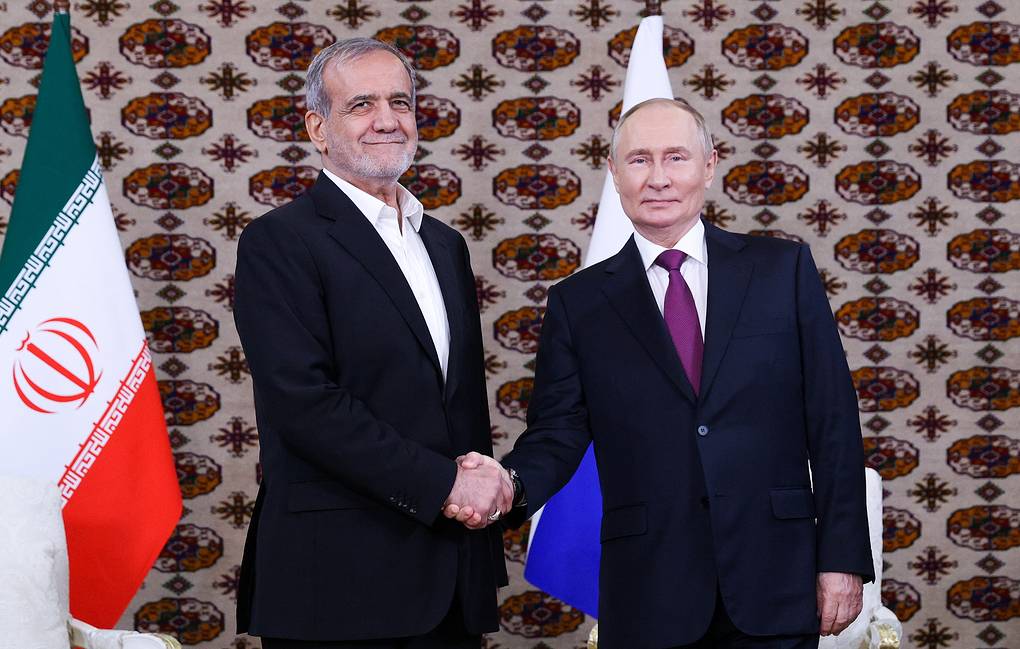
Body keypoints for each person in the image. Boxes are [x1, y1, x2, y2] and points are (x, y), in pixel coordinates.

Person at [447, 98, 874, 649]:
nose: (658, 178)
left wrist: (842, 558)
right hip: (648, 590)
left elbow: (834, 423)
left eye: (675, 157)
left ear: (709, 165)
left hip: (776, 581)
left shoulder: (782, 271)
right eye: (639, 159)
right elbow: (557, 432)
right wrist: (509, 484)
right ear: (614, 172)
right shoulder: (579, 303)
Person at [233, 38, 512, 649]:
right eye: (361, 104)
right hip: (337, 583)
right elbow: (305, 405)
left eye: (400, 102)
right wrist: (446, 485)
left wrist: (481, 495)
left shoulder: (445, 245)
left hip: (451, 577)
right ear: (318, 128)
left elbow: (457, 406)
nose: (387, 119)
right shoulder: (279, 242)